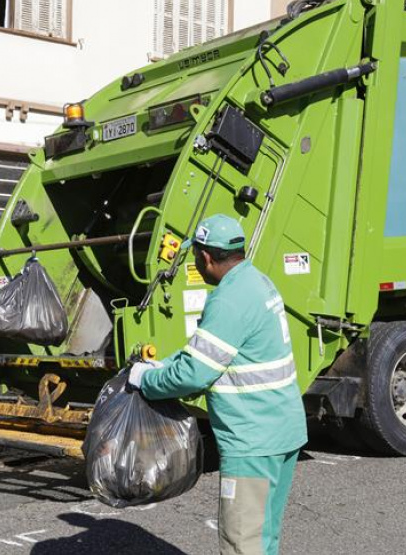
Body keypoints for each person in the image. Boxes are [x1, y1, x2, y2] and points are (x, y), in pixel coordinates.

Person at [128, 214, 307, 555]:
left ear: (205, 257)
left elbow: (195, 374)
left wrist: (147, 380)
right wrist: (163, 363)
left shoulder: (228, 300)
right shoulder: (256, 281)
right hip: (282, 431)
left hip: (252, 441)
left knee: (242, 544)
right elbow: (209, 351)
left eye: (195, 255)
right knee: (264, 539)